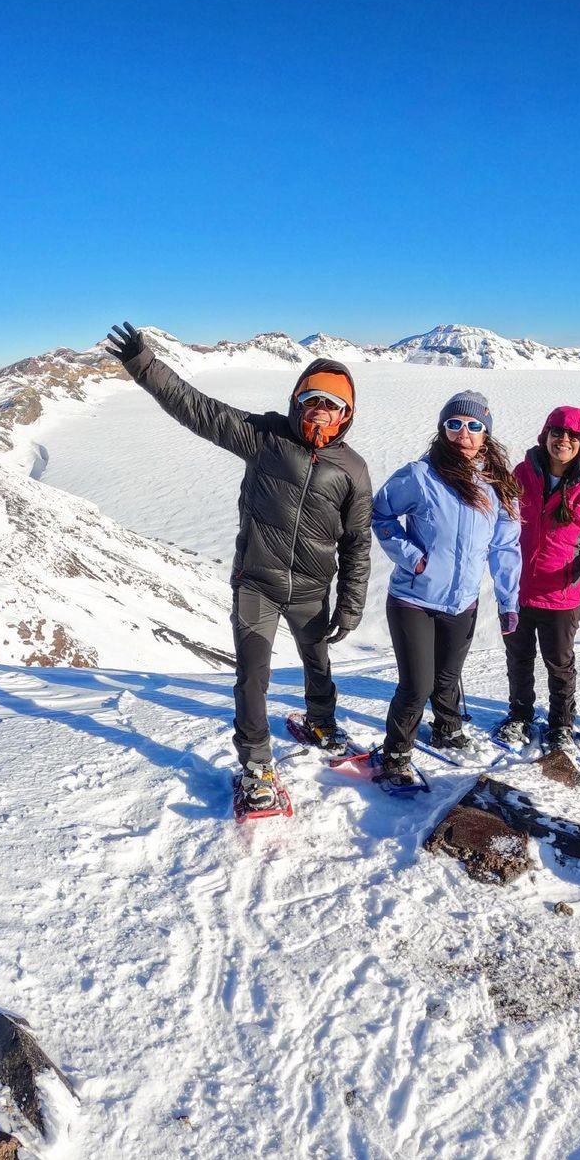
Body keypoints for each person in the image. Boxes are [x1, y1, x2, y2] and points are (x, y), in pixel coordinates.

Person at [105, 321, 372, 810]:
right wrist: (144, 366)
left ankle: (321, 722)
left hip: (312, 590)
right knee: (253, 675)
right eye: (311, 399)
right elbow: (199, 410)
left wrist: (351, 605)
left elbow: (358, 543)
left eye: (331, 404)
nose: (319, 410)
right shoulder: (265, 437)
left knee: (319, 664)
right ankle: (255, 763)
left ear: (346, 414)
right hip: (258, 584)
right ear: (297, 400)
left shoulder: (353, 469)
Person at [372, 391, 521, 787]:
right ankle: (396, 755)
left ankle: (447, 729)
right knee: (416, 684)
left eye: (474, 426)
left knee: (447, 677)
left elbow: (505, 546)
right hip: (412, 599)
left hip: (462, 602)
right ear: (442, 430)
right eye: (454, 424)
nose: (464, 433)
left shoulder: (498, 486)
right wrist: (411, 556)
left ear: (486, 434)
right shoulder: (420, 476)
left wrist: (509, 600)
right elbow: (380, 513)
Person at [494, 406, 580, 754]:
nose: (563, 440)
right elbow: (500, 522)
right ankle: (519, 716)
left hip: (560, 596)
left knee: (560, 665)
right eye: (557, 432)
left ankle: (561, 725)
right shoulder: (521, 474)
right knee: (518, 659)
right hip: (518, 590)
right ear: (546, 434)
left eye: (573, 436)